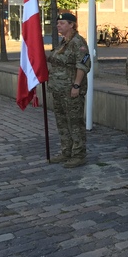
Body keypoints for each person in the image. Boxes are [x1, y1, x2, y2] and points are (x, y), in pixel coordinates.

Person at [47, 12, 91, 168]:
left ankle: (78, 154)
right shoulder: (63, 43)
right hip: (58, 90)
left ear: (72, 25)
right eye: (58, 23)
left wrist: (76, 86)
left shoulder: (78, 43)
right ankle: (66, 151)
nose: (58, 25)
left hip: (70, 90)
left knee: (75, 122)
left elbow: (83, 65)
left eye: (62, 23)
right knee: (62, 122)